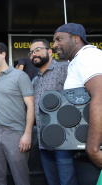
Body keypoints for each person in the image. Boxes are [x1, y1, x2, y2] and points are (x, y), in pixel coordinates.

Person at [53, 23, 102, 168]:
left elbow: (100, 96)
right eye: (54, 41)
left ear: (76, 38)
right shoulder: (76, 61)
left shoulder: (87, 56)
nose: (55, 45)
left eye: (59, 39)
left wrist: (93, 149)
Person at [30, 38, 78, 185]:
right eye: (31, 52)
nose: (34, 54)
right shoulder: (35, 80)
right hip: (44, 142)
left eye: (38, 50)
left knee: (67, 180)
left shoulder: (65, 68)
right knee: (52, 181)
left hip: (64, 140)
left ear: (50, 52)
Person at [0, 42, 34, 185]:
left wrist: (27, 134)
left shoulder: (20, 76)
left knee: (21, 179)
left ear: (3, 54)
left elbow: (30, 105)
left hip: (15, 134)